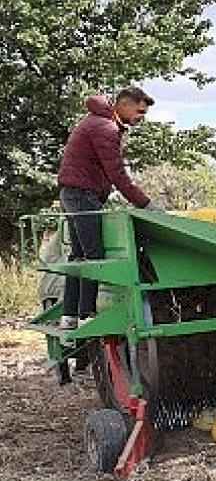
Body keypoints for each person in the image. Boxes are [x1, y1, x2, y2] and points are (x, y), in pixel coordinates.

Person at [56, 87, 161, 330]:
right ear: (124, 105)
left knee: (78, 257)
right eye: (139, 112)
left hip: (72, 193)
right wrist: (147, 204)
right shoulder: (106, 128)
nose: (141, 118)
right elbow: (117, 174)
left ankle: (70, 316)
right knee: (94, 256)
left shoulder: (96, 121)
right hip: (82, 195)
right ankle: (87, 315)